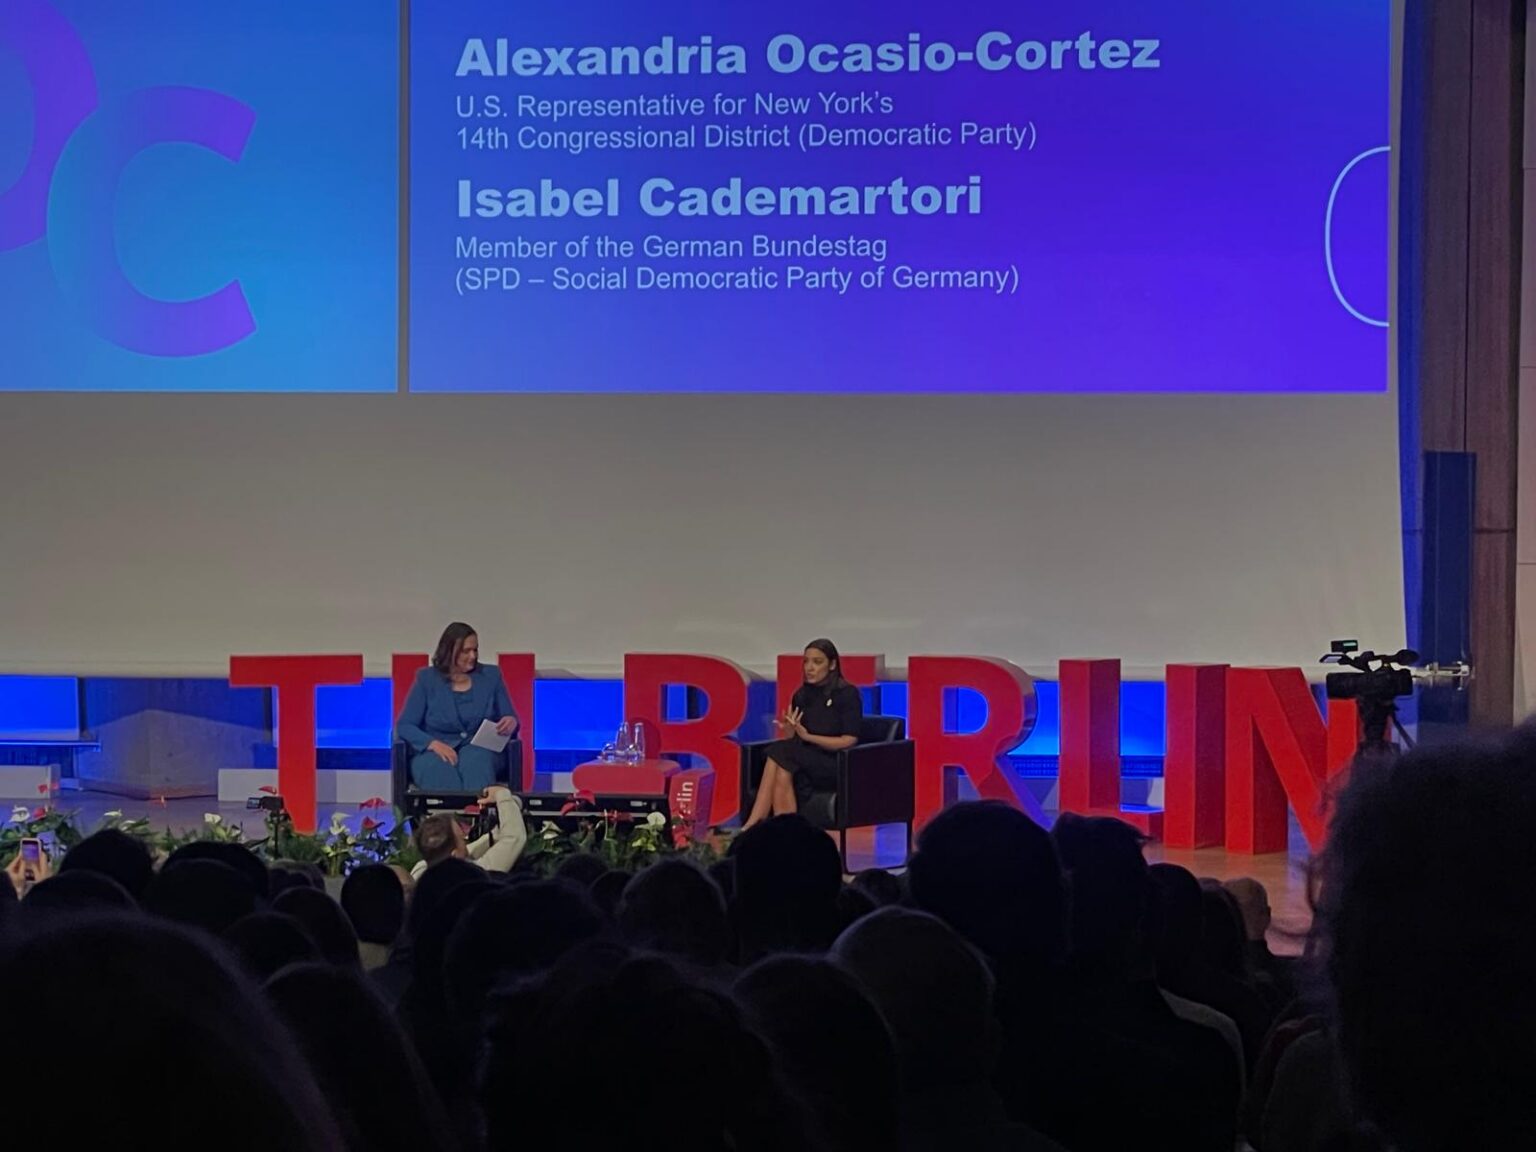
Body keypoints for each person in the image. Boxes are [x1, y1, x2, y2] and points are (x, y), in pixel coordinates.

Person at [743, 639, 862, 829]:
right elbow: (795, 740)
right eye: (806, 661)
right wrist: (790, 730)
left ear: (832, 665)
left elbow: (849, 740)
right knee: (783, 769)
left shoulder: (847, 694)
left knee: (779, 752)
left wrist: (808, 737)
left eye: (817, 662)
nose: (809, 668)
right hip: (805, 759)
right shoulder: (801, 695)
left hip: (836, 762)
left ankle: (753, 824)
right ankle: (786, 832)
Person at [396, 621, 518, 792]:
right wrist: (433, 744)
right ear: (449, 651)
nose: (473, 656)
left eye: (475, 650)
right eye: (466, 651)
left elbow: (509, 716)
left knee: (476, 763)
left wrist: (510, 721)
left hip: (480, 749)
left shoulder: (491, 676)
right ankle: (450, 810)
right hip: (435, 750)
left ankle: (477, 809)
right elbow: (405, 725)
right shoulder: (427, 679)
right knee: (437, 769)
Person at [409, 785, 527, 880]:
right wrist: (502, 795)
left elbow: (468, 850)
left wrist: (497, 830)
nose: (466, 842)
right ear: (454, 855)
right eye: (462, 839)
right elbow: (514, 838)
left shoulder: (420, 872)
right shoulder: (472, 876)